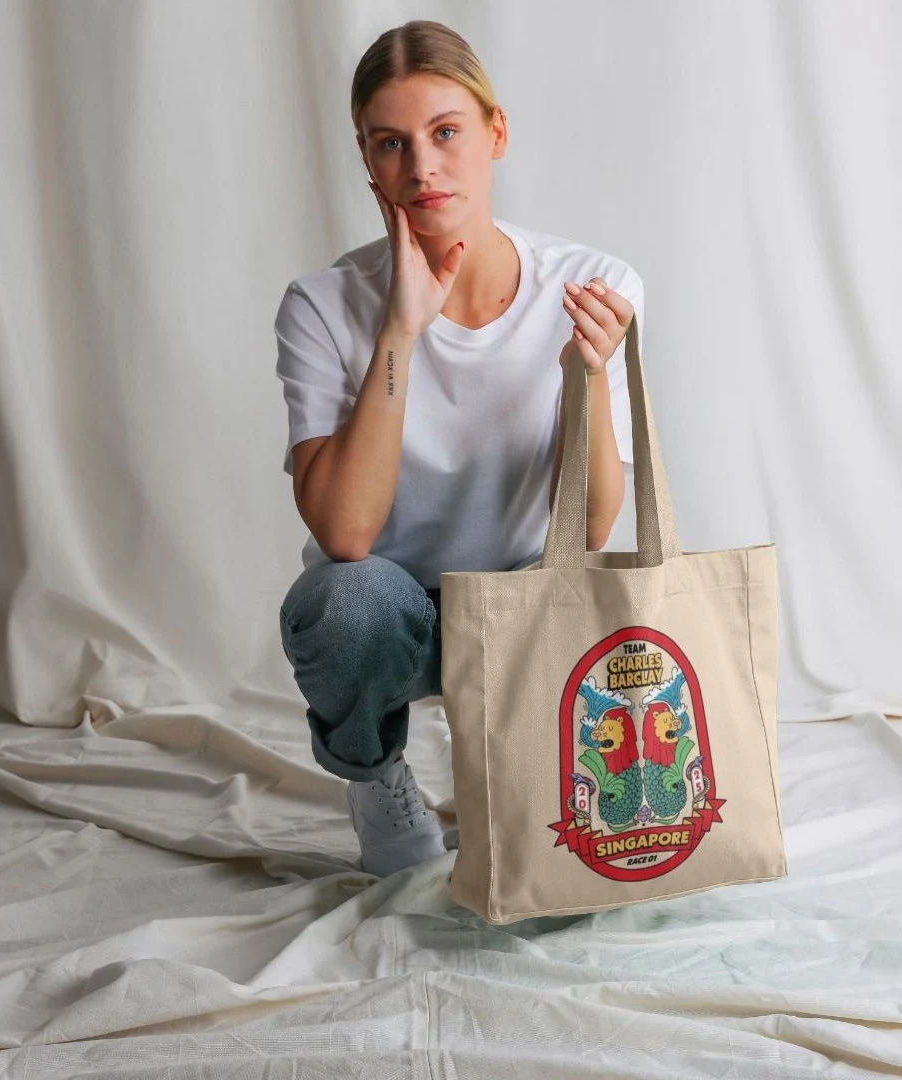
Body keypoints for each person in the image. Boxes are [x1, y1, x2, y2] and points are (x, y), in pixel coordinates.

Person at [276, 19, 644, 878]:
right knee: (345, 601)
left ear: (495, 133)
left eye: (446, 132)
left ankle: (506, 767)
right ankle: (376, 776)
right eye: (392, 143)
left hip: (525, 608)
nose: (422, 167)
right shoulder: (323, 305)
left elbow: (591, 529)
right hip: (390, 614)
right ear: (368, 161)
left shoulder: (592, 285)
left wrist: (586, 377)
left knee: (540, 853)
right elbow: (345, 535)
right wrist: (401, 329)